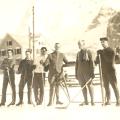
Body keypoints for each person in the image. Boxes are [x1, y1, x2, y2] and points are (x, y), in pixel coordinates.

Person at [96, 37, 120, 106]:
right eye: (101, 42)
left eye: (103, 42)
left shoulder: (111, 51)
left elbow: (109, 61)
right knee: (106, 86)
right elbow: (97, 61)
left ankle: (118, 100)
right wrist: (98, 55)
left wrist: (102, 53)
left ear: (107, 42)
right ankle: (108, 100)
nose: (102, 44)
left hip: (111, 71)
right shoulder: (101, 51)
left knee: (114, 86)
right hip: (104, 71)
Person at [75, 40, 95, 106]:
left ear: (84, 44)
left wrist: (92, 72)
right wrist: (76, 73)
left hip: (87, 73)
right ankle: (86, 101)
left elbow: (92, 63)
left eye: (80, 44)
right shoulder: (78, 53)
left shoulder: (88, 52)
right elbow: (76, 64)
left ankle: (92, 101)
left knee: (90, 86)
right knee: (83, 87)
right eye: (78, 44)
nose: (79, 46)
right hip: (80, 73)